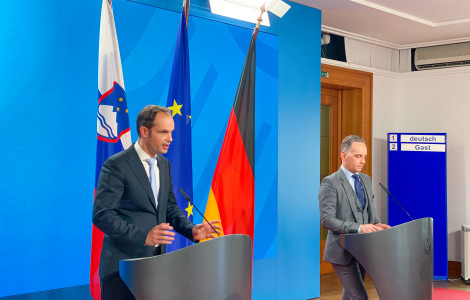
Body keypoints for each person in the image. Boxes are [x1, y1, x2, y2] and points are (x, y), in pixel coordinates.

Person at [93, 105, 221, 300]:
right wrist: (143, 236)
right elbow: (102, 215)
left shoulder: (163, 164)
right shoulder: (117, 165)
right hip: (122, 270)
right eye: (163, 132)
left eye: (171, 132)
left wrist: (191, 230)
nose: (170, 138)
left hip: (155, 266)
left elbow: (169, 207)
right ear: (144, 131)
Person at [319, 135, 390, 300]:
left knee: (350, 296)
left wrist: (377, 224)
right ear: (344, 155)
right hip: (341, 252)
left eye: (364, 156)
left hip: (363, 250)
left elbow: (369, 212)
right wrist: (359, 228)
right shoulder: (330, 183)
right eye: (358, 156)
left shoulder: (365, 179)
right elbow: (327, 220)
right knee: (359, 296)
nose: (363, 161)